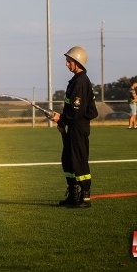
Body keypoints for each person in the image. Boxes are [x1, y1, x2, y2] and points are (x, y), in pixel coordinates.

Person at [51, 46, 98, 208]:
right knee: (68, 161)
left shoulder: (81, 82)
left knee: (79, 162)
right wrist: (62, 121)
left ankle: (85, 197)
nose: (66, 64)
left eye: (68, 61)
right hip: (72, 126)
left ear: (77, 62)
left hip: (79, 127)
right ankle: (73, 194)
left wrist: (62, 117)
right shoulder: (75, 81)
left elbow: (76, 111)